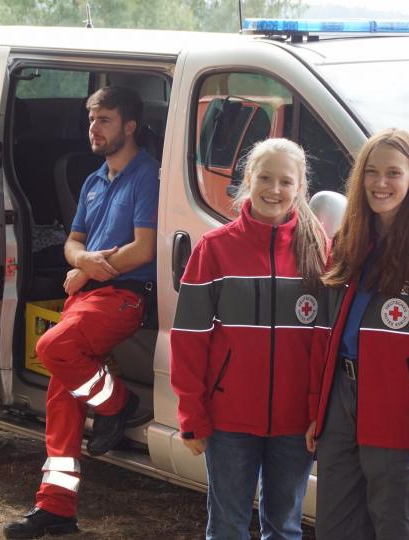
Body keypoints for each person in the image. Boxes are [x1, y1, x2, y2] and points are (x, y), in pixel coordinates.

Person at [3, 86, 160, 539]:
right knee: (62, 401)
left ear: (130, 126)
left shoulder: (148, 175)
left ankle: (118, 402)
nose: (94, 128)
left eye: (104, 120)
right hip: (88, 294)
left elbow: (144, 249)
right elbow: (72, 242)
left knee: (52, 347)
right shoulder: (93, 181)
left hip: (124, 295)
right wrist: (82, 260)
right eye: (91, 119)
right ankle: (56, 507)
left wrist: (89, 266)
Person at [170, 138, 329, 540]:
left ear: (299, 188)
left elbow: (325, 346)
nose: (274, 190)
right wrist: (192, 413)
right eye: (265, 178)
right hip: (229, 421)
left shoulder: (320, 251)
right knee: (227, 527)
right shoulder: (214, 248)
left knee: (284, 527)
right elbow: (189, 338)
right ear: (248, 180)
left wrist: (318, 411)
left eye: (286, 181)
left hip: (296, 422)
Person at [306, 128, 409, 539]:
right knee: (335, 528)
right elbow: (325, 336)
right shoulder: (348, 242)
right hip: (341, 404)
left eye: (393, 173)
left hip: (400, 412)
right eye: (372, 172)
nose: (380, 183)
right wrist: (318, 409)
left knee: (398, 528)